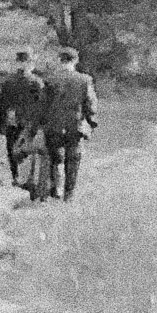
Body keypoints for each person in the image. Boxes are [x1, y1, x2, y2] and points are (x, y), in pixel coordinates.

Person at [39, 44, 99, 200]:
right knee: (73, 159)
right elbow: (90, 103)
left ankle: (56, 188)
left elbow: (42, 104)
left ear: (60, 60)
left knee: (55, 158)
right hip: (75, 125)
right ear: (76, 61)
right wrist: (91, 123)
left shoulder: (49, 79)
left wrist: (40, 123)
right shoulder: (84, 80)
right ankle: (69, 193)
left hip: (53, 125)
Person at [0, 48, 43, 197]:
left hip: (13, 121)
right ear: (31, 63)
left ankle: (17, 177)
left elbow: (2, 105)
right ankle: (26, 180)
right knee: (27, 150)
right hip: (29, 122)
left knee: (12, 149)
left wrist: (0, 125)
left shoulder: (8, 82)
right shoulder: (36, 82)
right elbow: (41, 104)